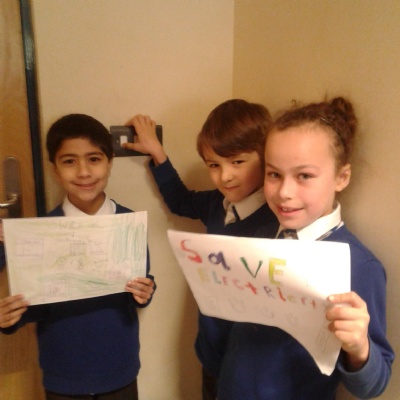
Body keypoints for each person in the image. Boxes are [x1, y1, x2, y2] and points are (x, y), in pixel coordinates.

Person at [217, 97, 395, 399]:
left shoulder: (359, 266)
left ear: (341, 177)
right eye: (274, 174)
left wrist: (359, 348)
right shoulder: (261, 238)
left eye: (305, 176)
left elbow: (373, 386)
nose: (284, 192)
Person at [124, 99, 277, 400]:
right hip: (212, 351)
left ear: (266, 157)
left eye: (237, 162)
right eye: (214, 165)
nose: (225, 176)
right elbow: (180, 200)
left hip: (251, 368)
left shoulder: (276, 220)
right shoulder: (217, 204)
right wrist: (157, 153)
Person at [0, 114, 156, 400]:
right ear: (55, 169)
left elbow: (141, 283)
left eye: (94, 159)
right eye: (69, 161)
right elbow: (35, 302)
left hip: (119, 366)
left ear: (109, 162)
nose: (83, 172)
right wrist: (10, 318)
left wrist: (145, 292)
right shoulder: (41, 233)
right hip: (63, 372)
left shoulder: (129, 224)